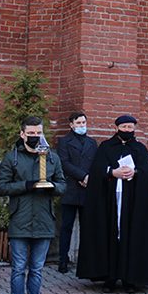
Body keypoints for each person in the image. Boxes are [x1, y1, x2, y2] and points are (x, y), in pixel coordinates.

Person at [77, 115, 148, 293]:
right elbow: (97, 170)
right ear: (116, 128)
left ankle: (130, 279)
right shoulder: (106, 147)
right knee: (110, 234)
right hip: (109, 200)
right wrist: (112, 172)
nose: (127, 130)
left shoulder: (139, 148)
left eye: (130, 127)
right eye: (124, 127)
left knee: (130, 235)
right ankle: (109, 277)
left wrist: (136, 172)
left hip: (133, 201)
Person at [0, 116, 65, 294]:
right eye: (31, 133)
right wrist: (27, 185)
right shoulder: (12, 158)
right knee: (18, 268)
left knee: (37, 269)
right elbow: (1, 187)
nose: (35, 137)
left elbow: (63, 185)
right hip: (20, 219)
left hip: (44, 220)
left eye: (38, 133)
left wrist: (51, 186)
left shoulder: (52, 158)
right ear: (22, 134)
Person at [55, 112, 97, 274]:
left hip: (87, 188)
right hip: (71, 188)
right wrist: (82, 176)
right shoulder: (64, 141)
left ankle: (85, 260)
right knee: (66, 226)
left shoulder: (92, 143)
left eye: (83, 122)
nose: (82, 125)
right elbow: (64, 163)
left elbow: (96, 163)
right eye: (78, 123)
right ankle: (62, 260)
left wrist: (89, 178)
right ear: (71, 125)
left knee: (87, 227)